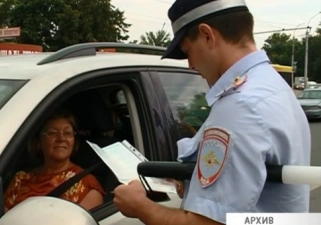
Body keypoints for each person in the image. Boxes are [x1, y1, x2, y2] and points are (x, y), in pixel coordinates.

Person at [112, 0, 311, 224]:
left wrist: (140, 207)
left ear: (207, 35)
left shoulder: (240, 106)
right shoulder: (272, 86)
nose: (190, 65)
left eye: (188, 51)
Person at [4, 108, 105, 212]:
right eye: (52, 133)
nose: (61, 138)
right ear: (38, 141)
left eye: (67, 133)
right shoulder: (21, 180)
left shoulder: (86, 185)